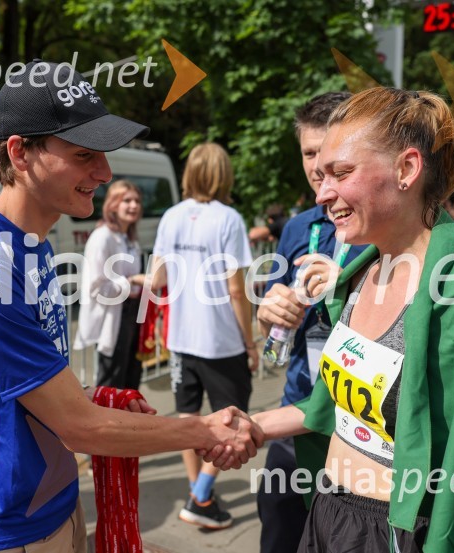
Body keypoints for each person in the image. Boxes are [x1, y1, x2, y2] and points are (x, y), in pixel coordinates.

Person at [0, 61, 262, 553]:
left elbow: (24, 391)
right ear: (20, 152)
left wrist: (95, 396)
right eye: (83, 155)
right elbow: (79, 428)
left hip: (53, 511)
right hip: (0, 532)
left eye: (102, 155)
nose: (103, 172)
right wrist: (201, 428)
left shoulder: (31, 246)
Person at [244, 87, 454, 552]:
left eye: (341, 173)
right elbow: (333, 408)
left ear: (406, 169)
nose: (323, 193)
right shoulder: (363, 269)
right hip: (327, 512)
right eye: (321, 175)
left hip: (398, 532)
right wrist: (248, 424)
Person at [254, 91, 367, 553]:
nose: (318, 165)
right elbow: (277, 324)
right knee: (279, 529)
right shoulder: (298, 229)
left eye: (328, 152)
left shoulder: (379, 226)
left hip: (363, 429)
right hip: (297, 411)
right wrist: (268, 314)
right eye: (308, 153)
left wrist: (345, 287)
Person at [146, 142, 258, 530]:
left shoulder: (171, 216)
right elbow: (237, 291)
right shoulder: (228, 219)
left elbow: (157, 279)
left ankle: (201, 496)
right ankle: (200, 497)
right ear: (224, 174)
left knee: (188, 420)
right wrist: (250, 342)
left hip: (181, 338)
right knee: (234, 424)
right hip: (221, 340)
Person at [74, 179, 144, 390]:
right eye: (127, 200)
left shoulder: (129, 238)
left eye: (137, 201)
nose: (134, 205)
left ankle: (132, 422)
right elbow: (96, 287)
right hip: (113, 317)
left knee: (132, 379)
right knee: (112, 383)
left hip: (132, 313)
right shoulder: (102, 237)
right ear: (113, 204)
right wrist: (132, 281)